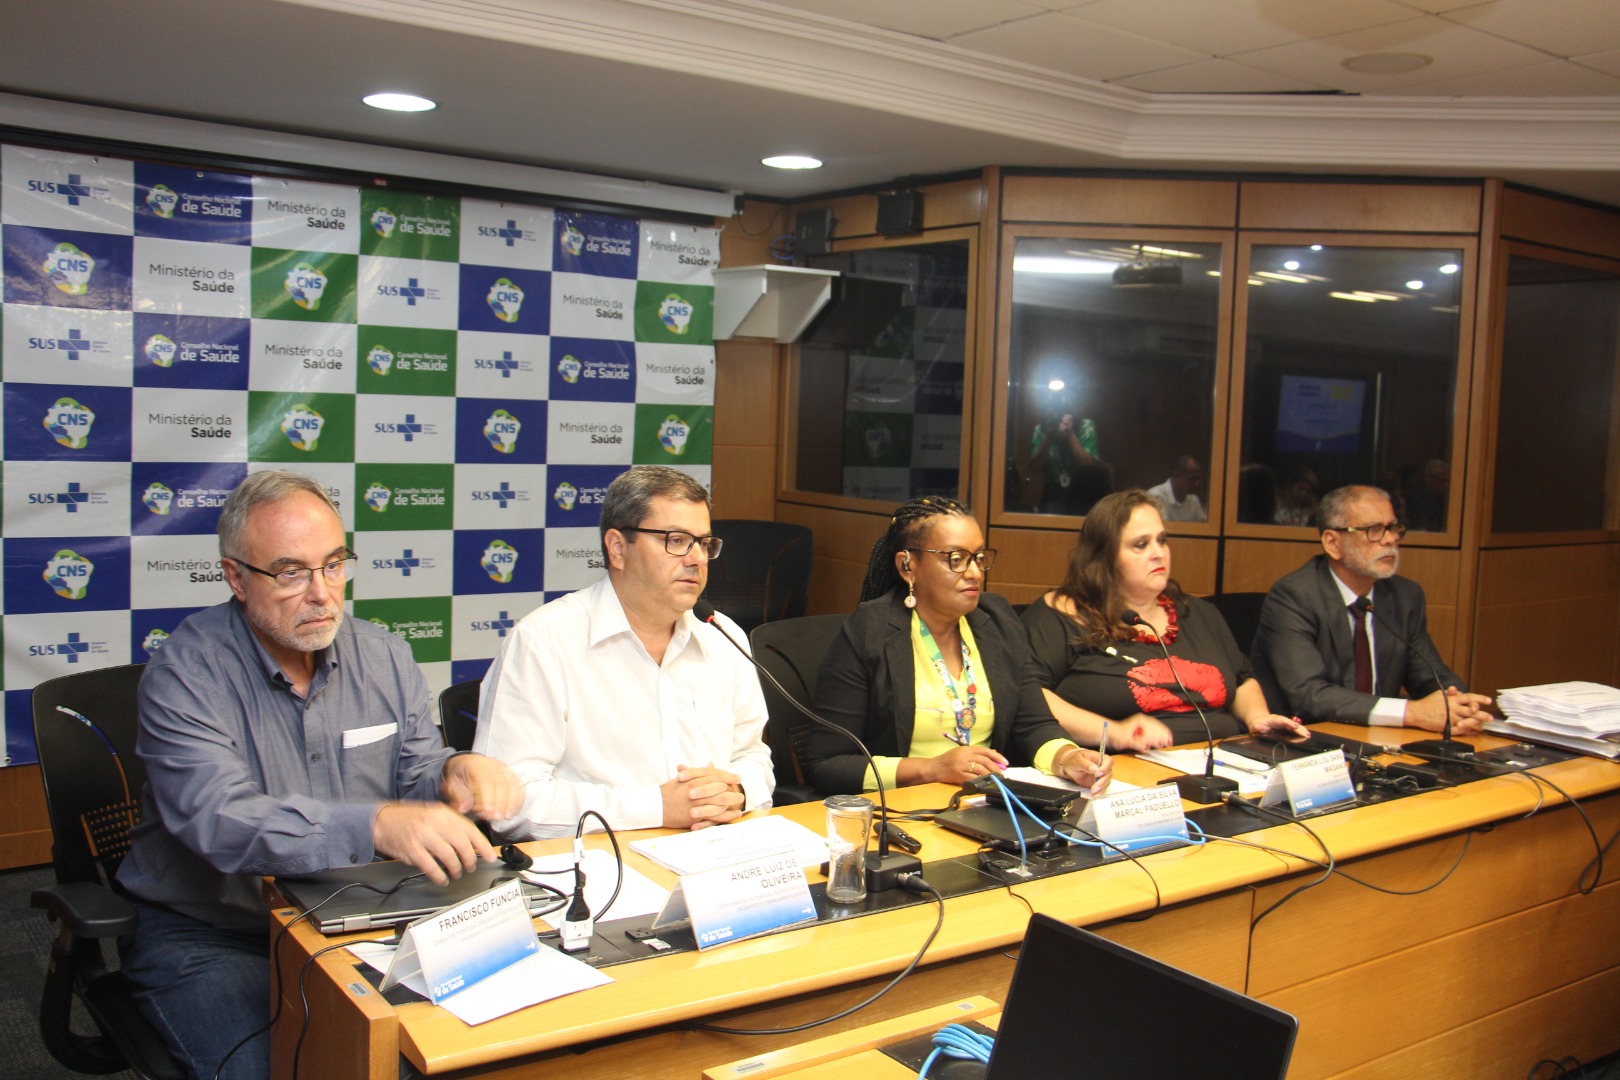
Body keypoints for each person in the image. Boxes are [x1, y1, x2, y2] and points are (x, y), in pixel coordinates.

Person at [116, 470, 522, 1080]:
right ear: (236, 578)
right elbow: (219, 819)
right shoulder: (186, 674)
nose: (322, 594)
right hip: (219, 931)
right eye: (290, 573)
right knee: (287, 1069)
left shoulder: (383, 655)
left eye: (334, 566)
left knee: (469, 1049)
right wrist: (377, 825)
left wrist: (452, 772)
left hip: (359, 910)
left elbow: (414, 770)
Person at [476, 465, 775, 839]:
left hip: (714, 849)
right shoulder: (544, 640)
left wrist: (737, 792)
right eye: (676, 540)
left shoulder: (722, 635)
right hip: (600, 860)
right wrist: (657, 807)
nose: (697, 559)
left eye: (704, 543)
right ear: (618, 548)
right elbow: (510, 802)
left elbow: (752, 756)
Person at [804, 495, 1110, 796]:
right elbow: (827, 764)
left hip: (982, 805)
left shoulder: (998, 621)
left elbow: (1034, 725)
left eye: (978, 558)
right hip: (902, 809)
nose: (974, 572)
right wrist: (930, 769)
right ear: (907, 566)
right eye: (955, 559)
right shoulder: (870, 630)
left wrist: (1068, 757)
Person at [1021, 490, 1308, 748]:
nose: (1158, 553)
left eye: (1162, 540)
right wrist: (1114, 732)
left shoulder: (1199, 613)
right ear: (1103, 558)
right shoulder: (1060, 615)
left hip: (1223, 760)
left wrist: (1257, 718)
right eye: (1140, 545)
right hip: (1120, 768)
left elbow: (1242, 679)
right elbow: (1029, 693)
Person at [1251, 484, 1491, 731]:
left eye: (1393, 528)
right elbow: (1310, 695)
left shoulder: (1405, 596)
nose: (1390, 539)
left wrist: (1462, 707)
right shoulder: (1294, 596)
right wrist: (1411, 712)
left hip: (1379, 738)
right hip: (1307, 737)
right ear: (1333, 543)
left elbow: (1431, 677)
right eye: (1374, 530)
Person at [1146, 454, 1207, 522]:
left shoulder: (1193, 500)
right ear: (1176, 475)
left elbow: (1203, 525)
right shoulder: (1155, 496)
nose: (1196, 484)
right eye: (1192, 479)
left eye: (1197, 479)